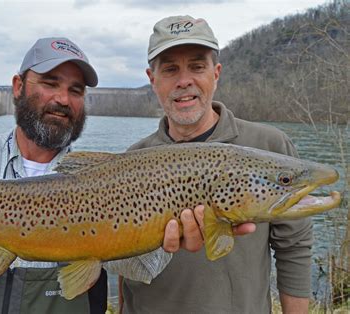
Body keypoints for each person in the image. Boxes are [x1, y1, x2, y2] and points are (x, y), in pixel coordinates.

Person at [0, 36, 222, 314]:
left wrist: (154, 232)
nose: (63, 99)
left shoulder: (102, 178)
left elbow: (145, 268)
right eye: (50, 83)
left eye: (75, 90)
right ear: (18, 86)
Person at [107, 15, 313, 314]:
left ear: (216, 74)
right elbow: (124, 266)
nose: (184, 80)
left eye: (197, 66)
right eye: (170, 69)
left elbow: (294, 248)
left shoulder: (270, 147)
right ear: (153, 80)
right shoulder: (132, 161)